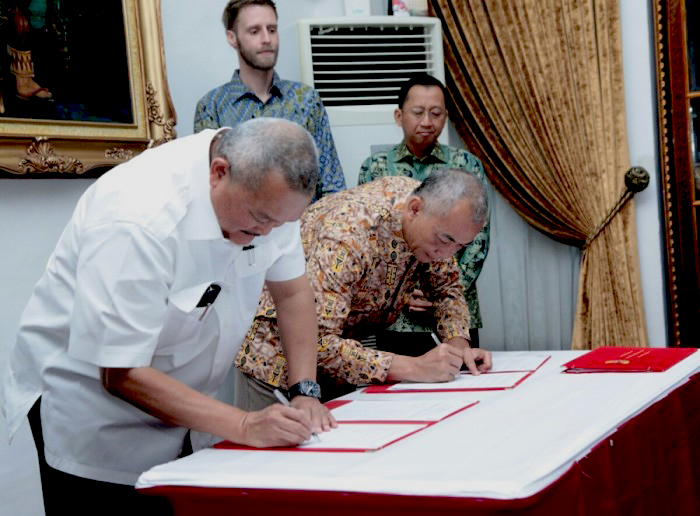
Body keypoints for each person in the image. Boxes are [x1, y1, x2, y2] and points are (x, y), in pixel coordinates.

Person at [1, 118, 336, 515]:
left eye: (280, 224)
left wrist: (305, 390)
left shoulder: (268, 196)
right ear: (219, 172)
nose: (268, 233)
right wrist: (245, 425)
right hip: (95, 418)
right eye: (260, 220)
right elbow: (120, 372)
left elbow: (293, 291)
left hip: (184, 409)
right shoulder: (137, 217)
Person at [234, 169, 493, 411]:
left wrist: (458, 350)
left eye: (460, 246)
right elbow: (317, 340)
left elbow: (447, 288)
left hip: (341, 363)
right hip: (277, 363)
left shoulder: (438, 218)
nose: (446, 254)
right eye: (445, 240)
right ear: (414, 209)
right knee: (275, 457)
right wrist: (413, 367)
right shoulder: (350, 233)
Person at [358, 73, 490, 353]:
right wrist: (402, 294)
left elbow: (477, 240)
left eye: (436, 113)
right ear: (399, 115)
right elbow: (370, 242)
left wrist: (442, 293)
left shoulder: (467, 165)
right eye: (418, 112)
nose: (427, 122)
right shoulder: (375, 167)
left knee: (463, 382)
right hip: (396, 317)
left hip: (455, 312)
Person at [193, 0, 346, 200]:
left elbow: (332, 184)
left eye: (272, 30)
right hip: (243, 228)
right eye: (254, 31)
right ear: (232, 38)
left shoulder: (306, 100)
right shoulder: (212, 107)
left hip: (303, 227)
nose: (267, 39)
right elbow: (211, 191)